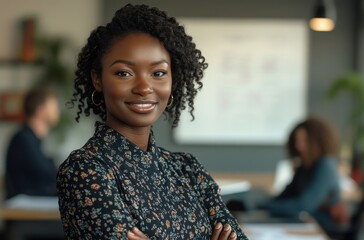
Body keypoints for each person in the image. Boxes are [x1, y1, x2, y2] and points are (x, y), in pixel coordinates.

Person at [56, 4, 248, 240]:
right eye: (124, 73)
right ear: (97, 79)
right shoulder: (85, 169)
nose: (144, 87)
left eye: (158, 73)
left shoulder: (187, 169)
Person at [261, 116, 348, 235]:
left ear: (316, 142)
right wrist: (259, 205)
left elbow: (303, 205)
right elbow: (285, 196)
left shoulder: (326, 166)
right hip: (308, 225)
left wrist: (266, 206)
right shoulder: (305, 167)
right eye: (296, 141)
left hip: (326, 230)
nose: (298, 146)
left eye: (303, 140)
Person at [5, 88, 60, 199]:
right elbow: (47, 173)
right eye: (54, 107)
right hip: (25, 209)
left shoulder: (31, 139)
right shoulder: (22, 139)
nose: (57, 111)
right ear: (41, 111)